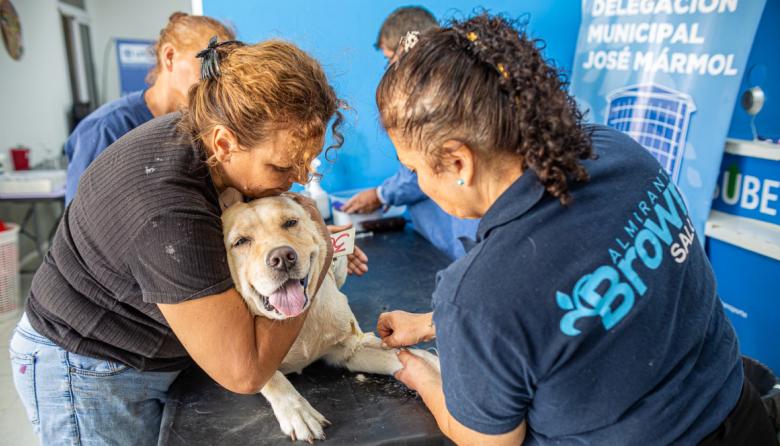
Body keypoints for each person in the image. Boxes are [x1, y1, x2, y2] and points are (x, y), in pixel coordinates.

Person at [374, 13, 777, 446]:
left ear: (458, 162)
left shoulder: (477, 298)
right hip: (742, 417)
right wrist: (441, 324)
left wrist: (416, 373)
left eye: (413, 167)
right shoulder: (617, 151)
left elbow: (487, 442)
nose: (416, 182)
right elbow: (573, 301)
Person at [9, 38, 367, 445]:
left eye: (307, 161)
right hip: (88, 368)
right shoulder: (167, 210)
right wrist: (314, 251)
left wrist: (303, 239)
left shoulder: (215, 148)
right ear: (223, 144)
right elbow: (245, 371)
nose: (300, 179)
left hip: (153, 350)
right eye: (284, 166)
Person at [342, 6, 479, 260]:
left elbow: (421, 170)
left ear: (406, 46)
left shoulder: (435, 97)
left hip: (462, 247)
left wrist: (383, 194)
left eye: (390, 59)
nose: (392, 69)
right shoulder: (460, 85)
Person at [64, 12, 234, 204]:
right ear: (169, 57)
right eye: (210, 62)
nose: (218, 76)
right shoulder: (106, 129)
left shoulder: (206, 128)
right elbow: (79, 217)